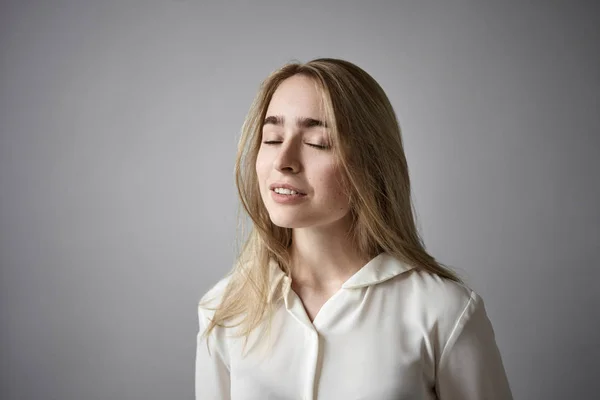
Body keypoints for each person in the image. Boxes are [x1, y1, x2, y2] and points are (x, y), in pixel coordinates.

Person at [195, 58, 513, 400]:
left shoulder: (443, 312)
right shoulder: (224, 311)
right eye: (271, 138)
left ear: (371, 163)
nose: (283, 160)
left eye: (317, 142)